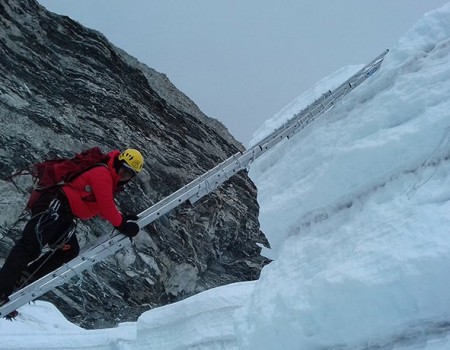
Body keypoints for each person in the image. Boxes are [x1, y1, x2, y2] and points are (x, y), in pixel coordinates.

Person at [0, 148, 144, 308]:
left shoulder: (108, 178)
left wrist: (122, 218)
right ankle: (2, 289)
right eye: (124, 169)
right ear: (118, 163)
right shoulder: (102, 174)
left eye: (129, 174)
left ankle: (22, 278)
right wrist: (123, 225)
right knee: (29, 246)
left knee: (68, 250)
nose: (124, 175)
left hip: (63, 215)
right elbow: (106, 205)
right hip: (54, 207)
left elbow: (101, 207)